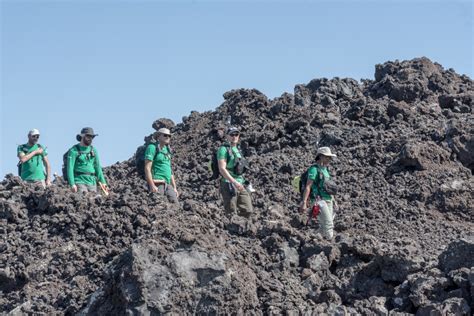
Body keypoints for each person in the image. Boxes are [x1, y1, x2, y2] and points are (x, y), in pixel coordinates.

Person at [299, 146, 337, 239]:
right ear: (320, 156)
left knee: (326, 224)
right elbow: (308, 186)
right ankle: (328, 245)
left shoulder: (326, 170)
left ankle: (314, 239)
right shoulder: (314, 169)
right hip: (318, 200)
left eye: (330, 157)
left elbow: (328, 187)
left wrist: (334, 200)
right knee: (328, 224)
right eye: (327, 157)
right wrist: (304, 202)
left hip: (328, 199)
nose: (329, 159)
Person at [217, 126, 253, 217]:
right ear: (227, 136)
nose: (234, 136)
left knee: (248, 210)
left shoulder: (238, 149)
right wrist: (234, 182)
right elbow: (222, 169)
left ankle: (243, 228)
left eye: (236, 134)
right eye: (232, 134)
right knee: (231, 213)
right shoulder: (223, 149)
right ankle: (231, 229)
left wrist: (245, 182)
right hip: (228, 183)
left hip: (240, 183)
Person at [67, 127, 108, 194]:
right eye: (88, 136)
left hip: (92, 182)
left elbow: (97, 167)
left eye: (92, 137)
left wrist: (103, 182)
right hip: (79, 181)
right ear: (82, 136)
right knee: (84, 200)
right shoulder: (73, 150)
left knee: (94, 201)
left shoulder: (93, 150)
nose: (90, 139)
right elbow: (70, 168)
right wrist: (72, 184)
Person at [144, 128, 179, 203]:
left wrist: (175, 188)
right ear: (158, 136)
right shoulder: (152, 147)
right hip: (157, 182)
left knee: (175, 205)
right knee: (158, 205)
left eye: (169, 136)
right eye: (165, 135)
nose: (168, 137)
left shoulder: (167, 150)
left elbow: (170, 170)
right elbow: (147, 168)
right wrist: (152, 185)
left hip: (167, 183)